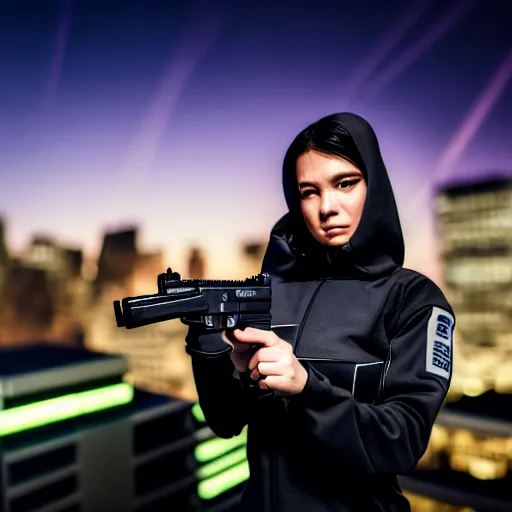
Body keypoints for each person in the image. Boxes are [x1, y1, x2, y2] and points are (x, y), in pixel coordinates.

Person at [185, 112, 455, 512]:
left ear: (373, 185)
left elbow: (402, 442)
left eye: (345, 183)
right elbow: (224, 422)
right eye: (309, 191)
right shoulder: (269, 293)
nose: (326, 206)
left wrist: (306, 388)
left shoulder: (412, 299)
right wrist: (214, 349)